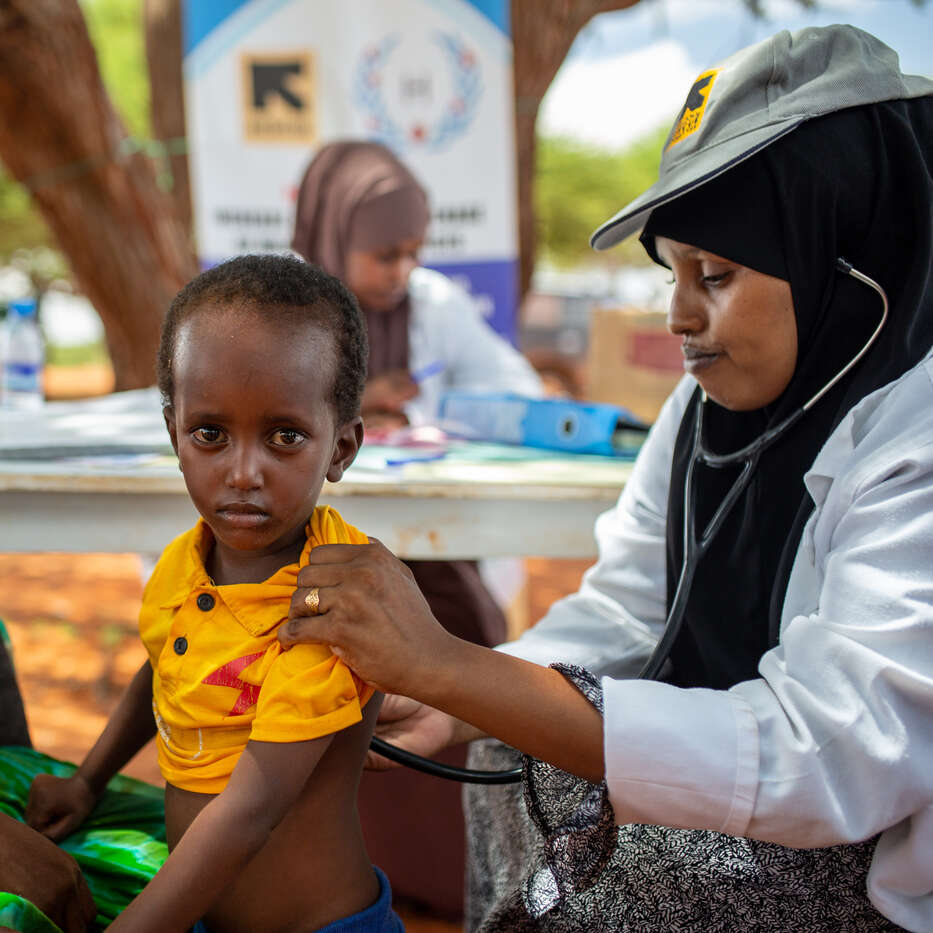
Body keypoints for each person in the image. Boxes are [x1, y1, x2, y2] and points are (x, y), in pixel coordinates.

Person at [278, 25, 933, 932]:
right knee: (510, 753)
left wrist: (451, 664)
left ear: (846, 257)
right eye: (672, 273)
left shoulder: (916, 438)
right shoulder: (706, 414)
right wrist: (460, 694)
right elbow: (630, 611)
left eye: (715, 274)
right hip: (765, 786)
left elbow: (827, 753)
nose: (676, 315)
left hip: (862, 867)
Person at [23, 254, 404, 932]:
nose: (243, 472)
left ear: (341, 448)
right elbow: (170, 670)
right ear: (175, 433)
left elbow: (248, 813)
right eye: (211, 434)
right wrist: (89, 779)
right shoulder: (187, 560)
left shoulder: (332, 601)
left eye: (285, 436)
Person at [291, 139, 543, 915]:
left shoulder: (433, 306)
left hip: (426, 544)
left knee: (462, 641)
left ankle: (437, 880)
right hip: (310, 549)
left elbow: (516, 391)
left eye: (412, 252)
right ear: (333, 232)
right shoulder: (282, 303)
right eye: (383, 253)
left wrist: (437, 409)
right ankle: (315, 878)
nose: (400, 271)